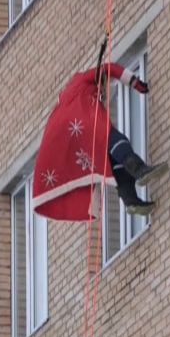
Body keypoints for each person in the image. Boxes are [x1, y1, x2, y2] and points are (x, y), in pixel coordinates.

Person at [32, 62, 162, 222]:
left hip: (69, 134)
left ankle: (131, 200)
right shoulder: (82, 79)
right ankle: (140, 170)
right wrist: (135, 83)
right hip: (81, 122)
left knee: (113, 160)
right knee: (118, 142)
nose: (104, 92)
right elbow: (109, 68)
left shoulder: (65, 99)